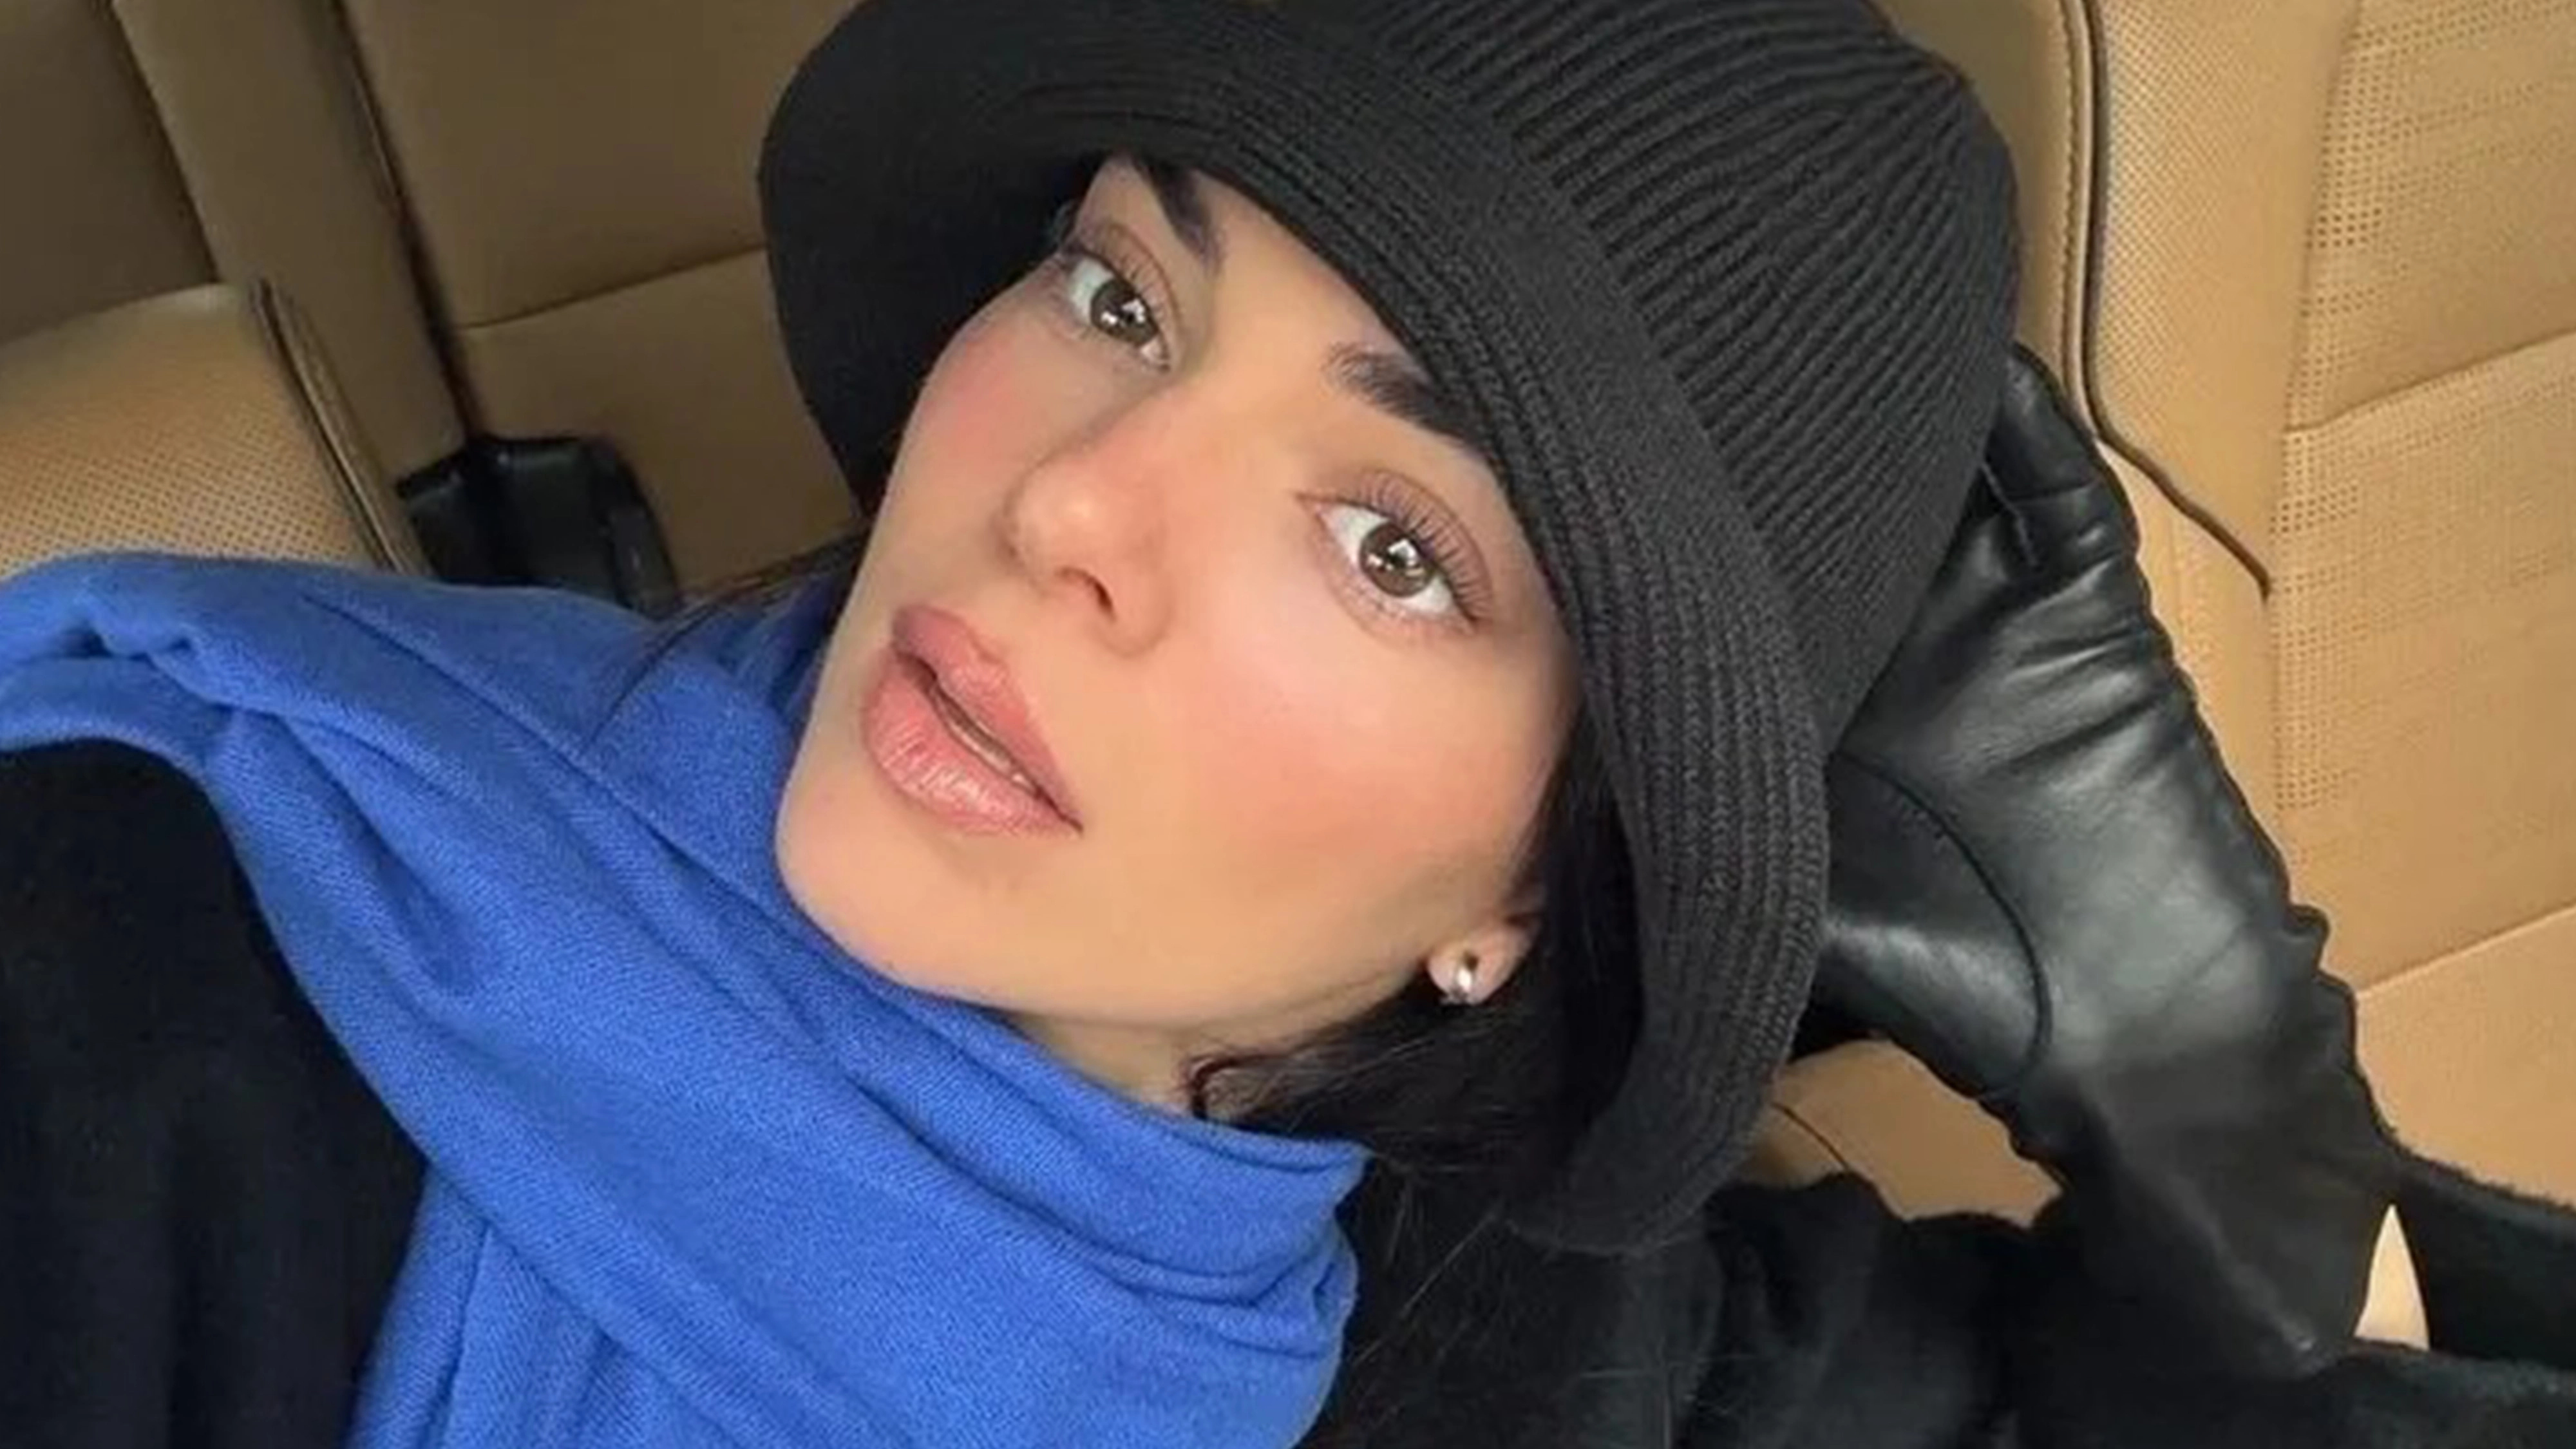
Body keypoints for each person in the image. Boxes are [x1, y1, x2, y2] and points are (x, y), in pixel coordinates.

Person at [4, 1, 2575, 1446]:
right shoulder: (143, 1003)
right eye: (1123, 297)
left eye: (1393, 545)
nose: (1071, 505)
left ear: (1522, 899)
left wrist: (2198, 1059)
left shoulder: (1480, 1319)